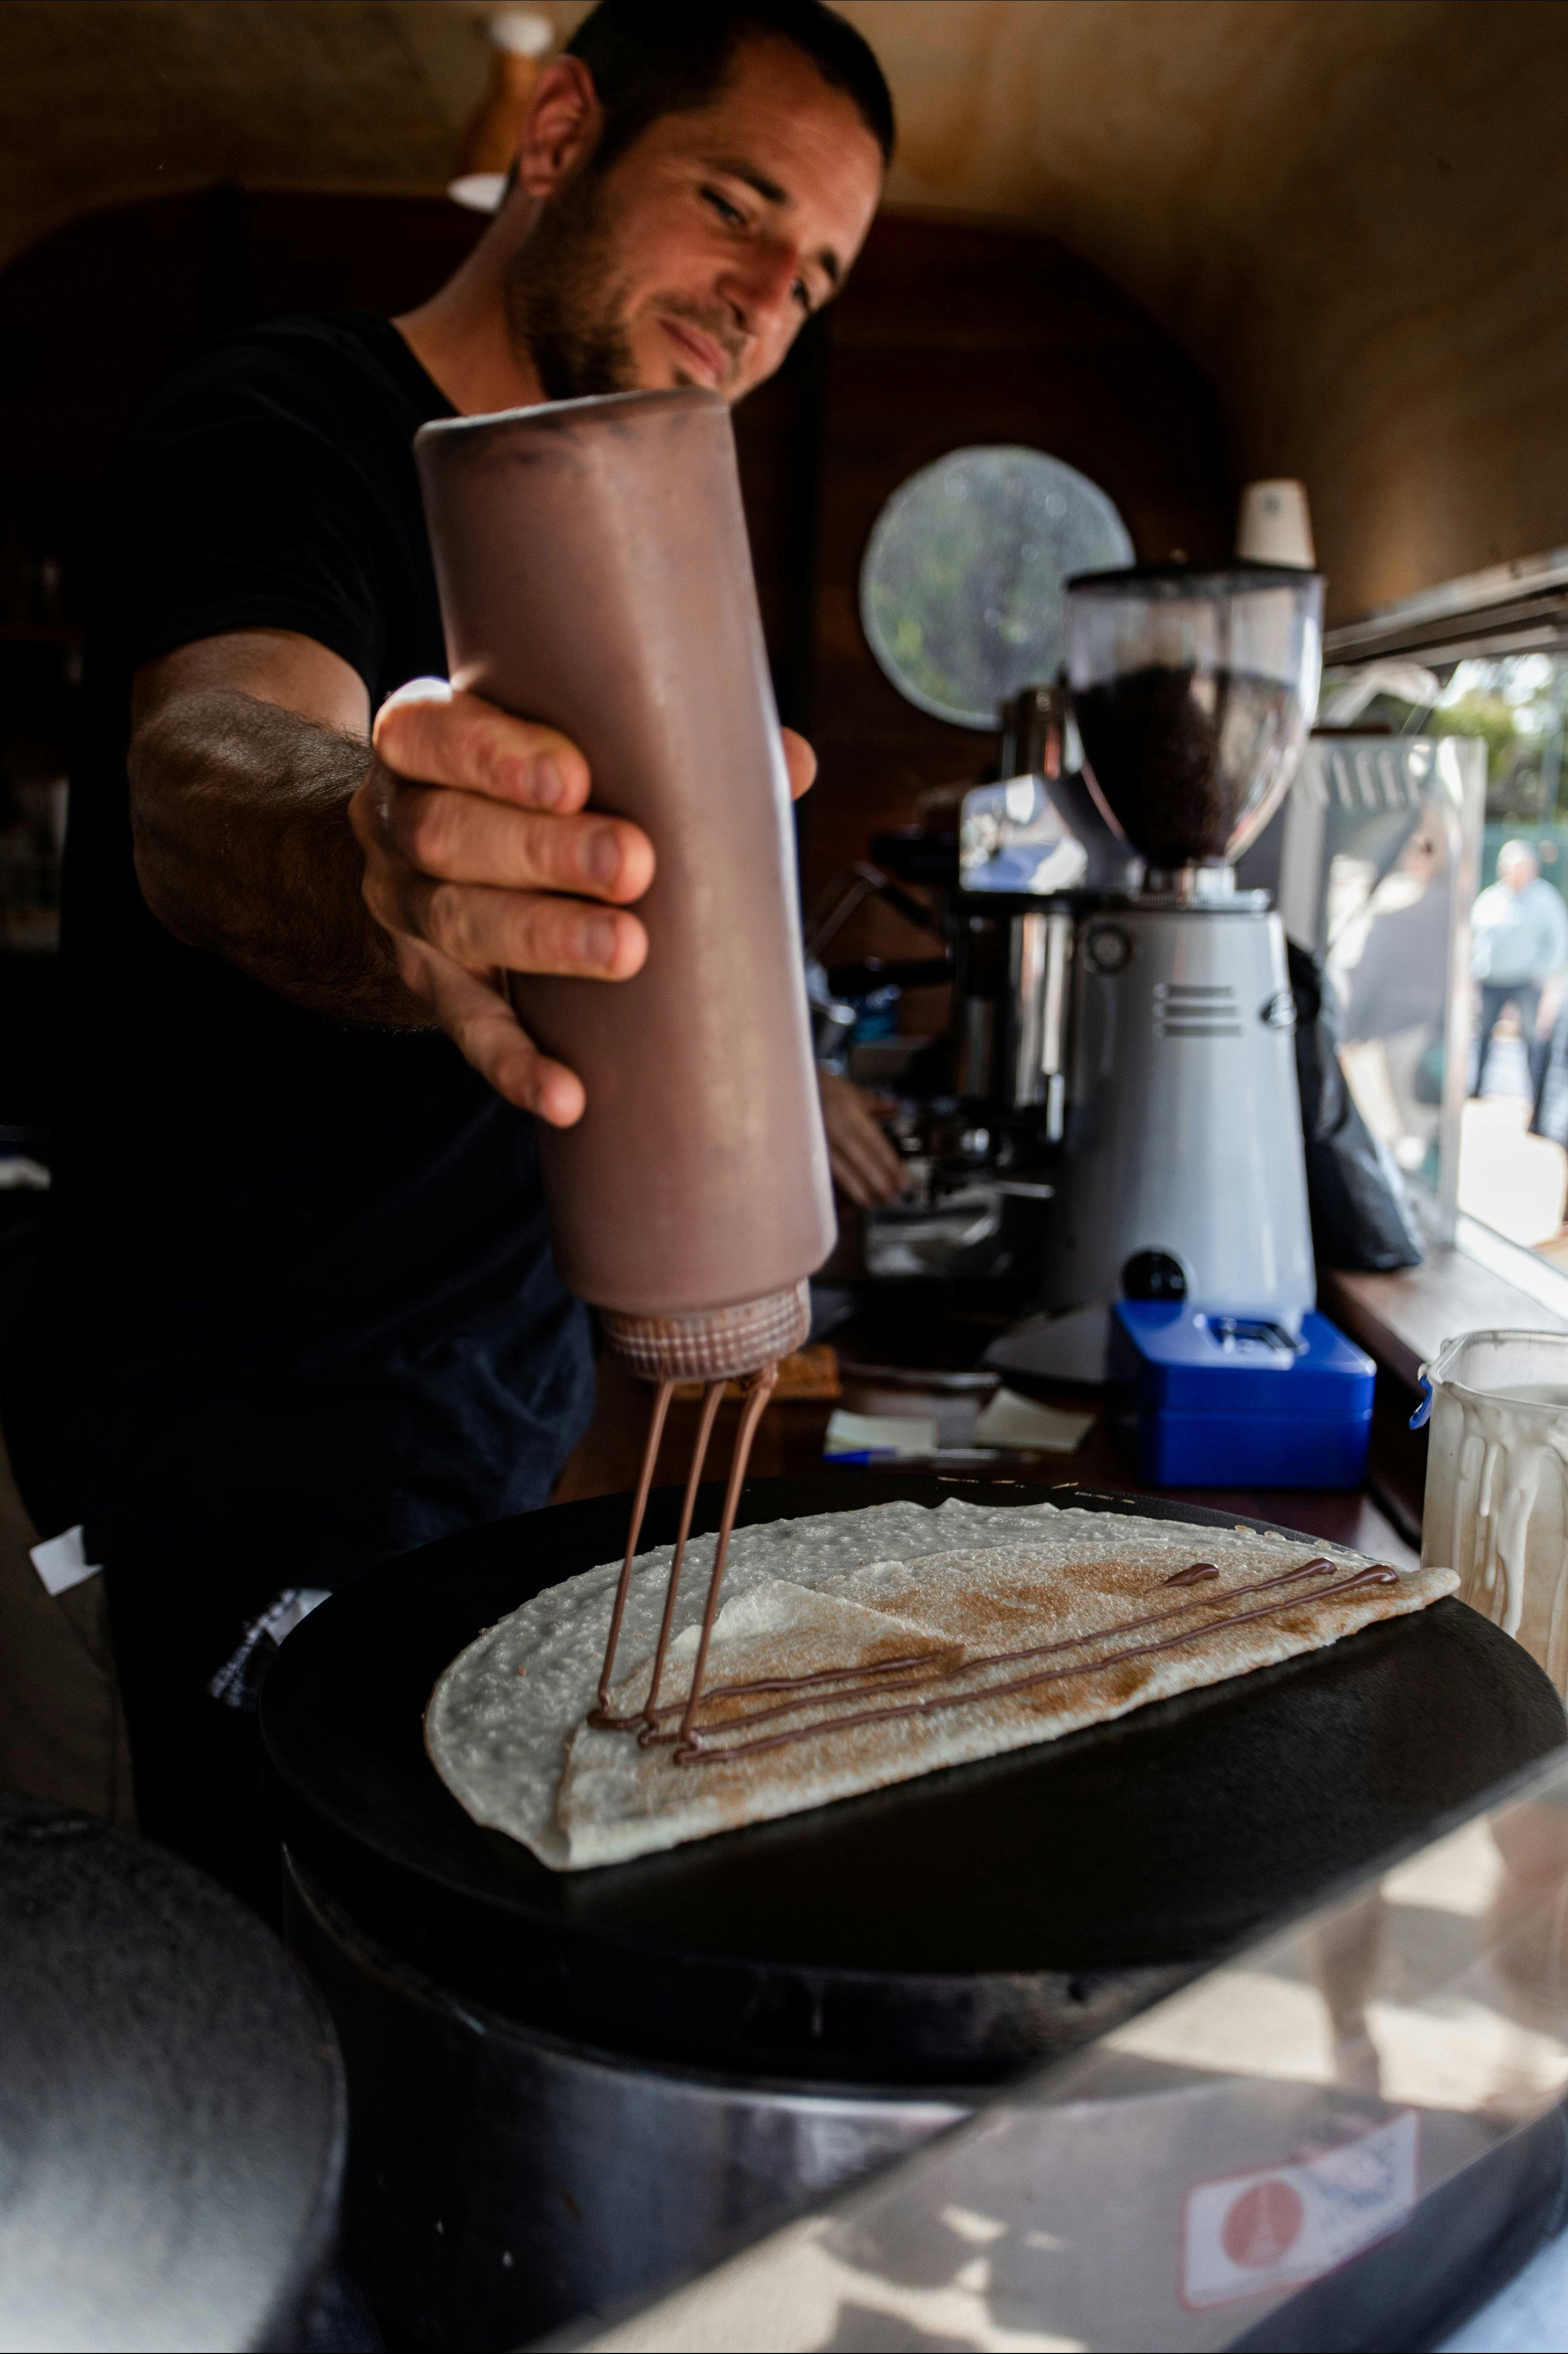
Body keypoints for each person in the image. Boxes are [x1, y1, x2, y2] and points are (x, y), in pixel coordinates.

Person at [0, 0, 892, 1908]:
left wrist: (764, 1056)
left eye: (811, 278)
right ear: (560, 133)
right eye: (733, 206)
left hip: (470, 1467)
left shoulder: (649, 569)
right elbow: (208, 764)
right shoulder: (284, 424)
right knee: (209, 2074)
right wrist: (374, 847)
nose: (758, 299)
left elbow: (616, 939)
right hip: (195, 1495)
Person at [1470, 840, 1568, 1094]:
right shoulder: (1490, 897)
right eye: (1507, 865)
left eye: (1518, 865)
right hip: (1490, 982)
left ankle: (1535, 1098)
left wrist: (1543, 974)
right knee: (1481, 1037)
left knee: (1531, 1041)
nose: (1512, 870)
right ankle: (1476, 1088)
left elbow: (1559, 941)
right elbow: (1474, 936)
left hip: (1526, 983)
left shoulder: (1545, 899)